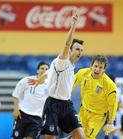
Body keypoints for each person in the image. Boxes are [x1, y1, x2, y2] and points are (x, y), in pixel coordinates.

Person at [40, 10, 85, 139]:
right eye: (77, 49)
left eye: (81, 50)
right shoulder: (62, 61)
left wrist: (39, 79)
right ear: (70, 50)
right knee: (50, 138)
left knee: (81, 136)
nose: (79, 52)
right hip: (53, 104)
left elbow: (49, 72)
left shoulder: (72, 67)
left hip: (67, 105)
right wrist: (74, 25)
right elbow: (67, 44)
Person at [72, 55, 118, 139]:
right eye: (96, 66)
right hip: (83, 110)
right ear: (91, 66)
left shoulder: (110, 85)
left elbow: (113, 104)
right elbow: (71, 84)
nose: (97, 69)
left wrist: (111, 121)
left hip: (98, 116)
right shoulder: (83, 73)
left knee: (88, 136)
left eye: (100, 67)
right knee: (77, 134)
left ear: (104, 70)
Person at [12, 61, 49, 139]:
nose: (44, 71)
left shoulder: (49, 86)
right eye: (42, 68)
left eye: (46, 69)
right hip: (22, 115)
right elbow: (16, 94)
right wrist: (16, 109)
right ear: (37, 70)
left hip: (37, 118)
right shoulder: (28, 80)